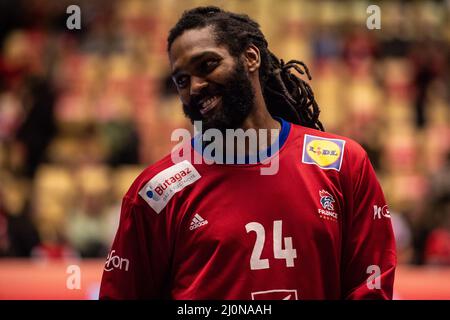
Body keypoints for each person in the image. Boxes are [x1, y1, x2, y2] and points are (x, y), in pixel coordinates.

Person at [99, 6, 396, 299]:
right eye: (182, 80)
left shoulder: (343, 164)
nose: (196, 87)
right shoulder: (156, 194)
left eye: (207, 65)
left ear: (251, 57)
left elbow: (369, 289)